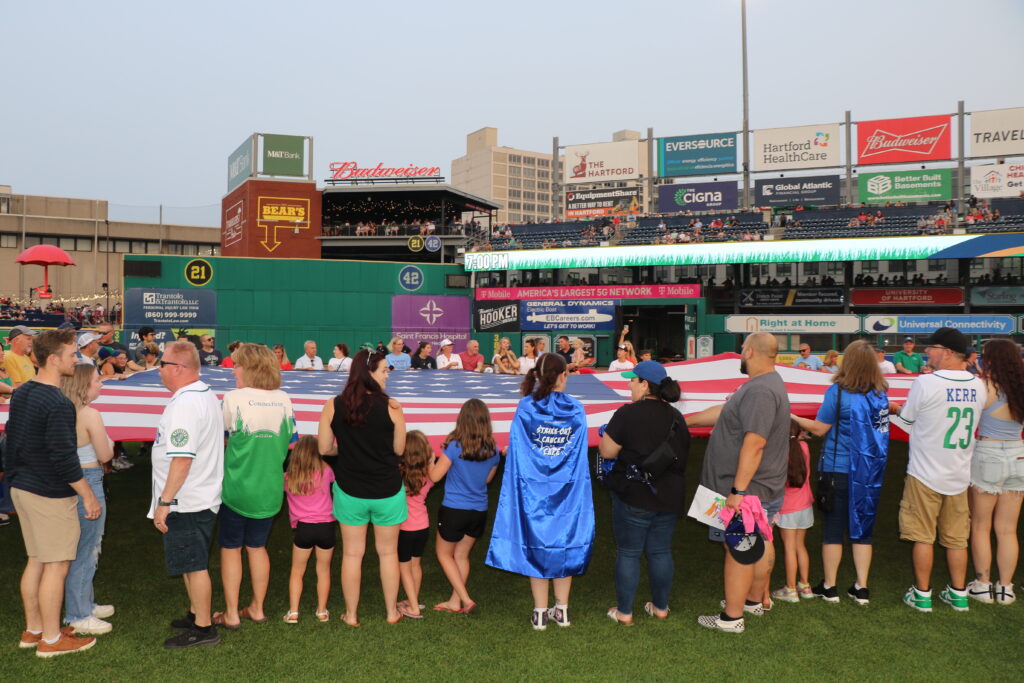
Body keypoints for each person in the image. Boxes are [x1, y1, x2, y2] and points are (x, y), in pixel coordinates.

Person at [687, 332, 790, 633]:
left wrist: (737, 491)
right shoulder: (763, 385)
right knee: (757, 544)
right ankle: (753, 601)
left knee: (738, 551)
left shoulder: (759, 391)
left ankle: (732, 618)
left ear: (750, 352)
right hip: (757, 488)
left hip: (747, 491)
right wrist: (688, 421)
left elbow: (755, 443)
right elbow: (727, 413)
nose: (740, 355)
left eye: (742, 349)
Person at [6, 328, 100, 656]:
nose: (77, 359)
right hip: (47, 492)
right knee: (57, 564)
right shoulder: (58, 402)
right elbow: (64, 457)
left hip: (22, 487)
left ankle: (34, 631)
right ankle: (50, 639)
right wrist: (87, 494)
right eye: (73, 354)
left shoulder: (22, 393)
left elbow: (13, 442)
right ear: (53, 358)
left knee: (36, 560)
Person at [486, 353, 594, 630]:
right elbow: (578, 451)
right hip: (567, 490)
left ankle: (539, 612)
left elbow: (519, 448)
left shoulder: (526, 406)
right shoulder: (576, 409)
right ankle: (563, 610)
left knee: (536, 544)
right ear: (561, 376)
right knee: (564, 545)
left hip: (532, 490)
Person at [891, 327, 986, 613]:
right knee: (957, 539)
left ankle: (922, 595)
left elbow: (907, 421)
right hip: (958, 472)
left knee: (923, 536)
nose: (926, 352)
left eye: (931, 348)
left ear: (947, 353)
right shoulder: (979, 385)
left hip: (924, 472)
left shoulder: (926, 382)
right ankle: (958, 594)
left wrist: (893, 409)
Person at [791, 340, 891, 605]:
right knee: (863, 529)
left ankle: (830, 586)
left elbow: (820, 429)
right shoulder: (881, 393)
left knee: (833, 529)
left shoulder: (837, 392)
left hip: (837, 469)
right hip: (868, 473)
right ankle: (861, 588)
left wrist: (794, 417)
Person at [317, 349, 407, 626]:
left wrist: (345, 453)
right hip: (388, 491)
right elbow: (399, 449)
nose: (388, 373)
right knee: (388, 553)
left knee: (352, 555)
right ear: (368, 373)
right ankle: (392, 612)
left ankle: (351, 614)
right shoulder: (392, 407)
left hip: (350, 490)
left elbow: (323, 448)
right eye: (384, 369)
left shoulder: (334, 405)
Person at [213, 343, 297, 630]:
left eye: (236, 365)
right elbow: (292, 442)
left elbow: (222, 438)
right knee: (258, 547)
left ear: (249, 368)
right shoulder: (284, 399)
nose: (232, 370)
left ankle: (232, 613)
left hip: (237, 487)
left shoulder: (233, 398)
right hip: (270, 489)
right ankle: (257, 609)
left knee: (231, 548)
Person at [599, 360, 689, 624]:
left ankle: (625, 612)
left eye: (633, 380)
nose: (629, 384)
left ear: (645, 384)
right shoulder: (677, 417)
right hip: (670, 495)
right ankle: (661, 608)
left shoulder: (627, 413)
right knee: (660, 551)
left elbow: (606, 452)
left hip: (634, 494)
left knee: (629, 552)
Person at [149, 341, 225, 649]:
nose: (159, 370)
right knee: (188, 561)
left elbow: (182, 458)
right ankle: (196, 613)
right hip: (197, 494)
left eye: (163, 365)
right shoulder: (202, 394)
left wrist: (165, 501)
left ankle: (204, 629)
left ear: (179, 368)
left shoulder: (186, 404)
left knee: (194, 565)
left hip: (188, 498)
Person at [966, 339, 1024, 605]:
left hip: (988, 452)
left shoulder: (984, 385)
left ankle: (982, 583)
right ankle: (1005, 587)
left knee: (980, 526)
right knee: (1007, 529)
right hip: (1019, 454)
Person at [59, 364, 115, 634]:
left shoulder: (62, 412)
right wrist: (111, 443)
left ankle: (85, 603)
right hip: (89, 480)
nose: (101, 384)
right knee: (87, 549)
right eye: (97, 380)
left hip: (68, 481)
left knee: (81, 546)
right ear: (83, 386)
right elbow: (105, 456)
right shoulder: (90, 414)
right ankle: (78, 614)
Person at [430, 399, 500, 615]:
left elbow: (434, 476)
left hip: (454, 509)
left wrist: (431, 459)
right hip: (478, 511)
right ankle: (454, 601)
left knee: (443, 554)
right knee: (461, 556)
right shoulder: (493, 450)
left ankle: (465, 599)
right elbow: (488, 480)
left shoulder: (454, 447)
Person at [283, 435, 335, 624]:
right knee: (323, 570)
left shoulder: (289, 478)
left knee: (297, 571)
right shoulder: (326, 470)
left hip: (303, 529)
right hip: (326, 527)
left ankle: (294, 612)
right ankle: (321, 611)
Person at [770, 422, 814, 603]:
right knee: (799, 546)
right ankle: (804, 586)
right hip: (805, 504)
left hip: (788, 506)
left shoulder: (780, 452)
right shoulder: (804, 446)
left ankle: (790, 589)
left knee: (789, 547)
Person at [396, 430, 436, 619]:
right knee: (415, 564)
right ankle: (413, 599)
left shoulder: (399, 475)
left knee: (404, 567)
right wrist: (432, 461)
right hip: (423, 526)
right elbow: (433, 470)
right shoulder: (428, 475)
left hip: (404, 528)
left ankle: (413, 606)